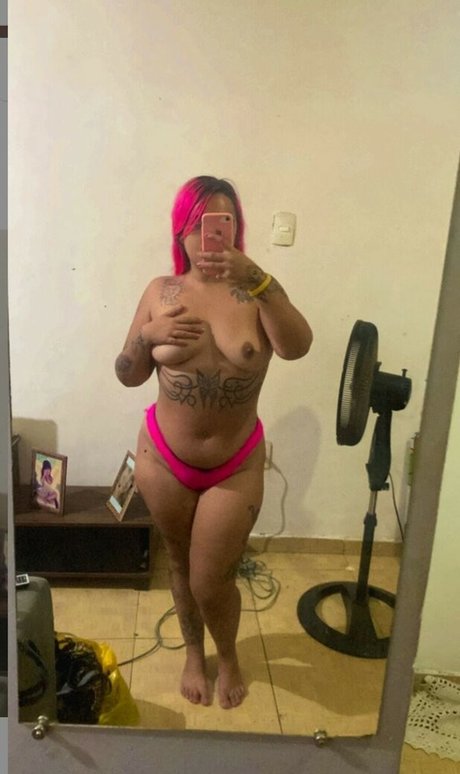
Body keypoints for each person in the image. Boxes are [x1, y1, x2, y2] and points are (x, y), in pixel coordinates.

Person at [115, 176, 313, 709]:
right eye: (197, 225)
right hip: (163, 458)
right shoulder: (160, 292)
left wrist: (262, 281)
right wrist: (147, 337)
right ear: (180, 231)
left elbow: (297, 347)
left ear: (236, 229)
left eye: (221, 224)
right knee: (180, 565)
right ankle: (192, 654)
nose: (209, 238)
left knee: (212, 579)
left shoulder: (256, 292)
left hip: (235, 464)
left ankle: (228, 657)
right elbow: (127, 374)